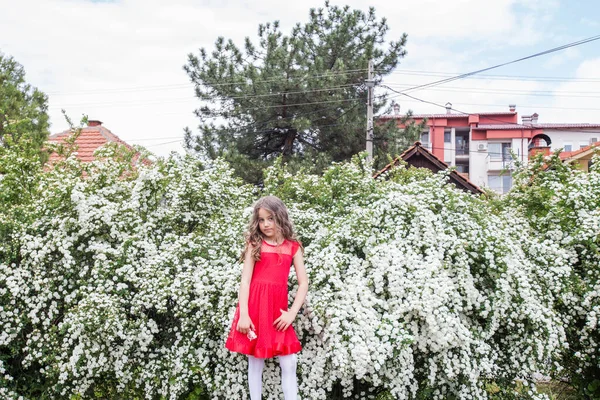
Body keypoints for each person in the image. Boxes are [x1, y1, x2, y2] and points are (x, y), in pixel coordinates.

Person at [225, 196, 309, 400]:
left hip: (278, 313)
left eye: (270, 218)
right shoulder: (255, 243)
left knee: (289, 363)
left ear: (280, 217)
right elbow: (245, 281)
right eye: (261, 220)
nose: (265, 224)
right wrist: (244, 315)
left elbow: (303, 283)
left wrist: (291, 314)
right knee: (255, 362)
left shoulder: (293, 246)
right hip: (254, 311)